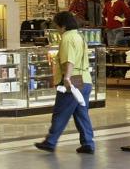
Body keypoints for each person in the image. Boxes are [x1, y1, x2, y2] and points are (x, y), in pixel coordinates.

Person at [34, 11, 96, 154]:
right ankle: (88, 143)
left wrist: (67, 78)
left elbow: (69, 60)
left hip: (74, 79)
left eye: (56, 25)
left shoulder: (67, 38)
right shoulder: (79, 36)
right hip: (85, 78)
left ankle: (50, 141)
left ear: (62, 25)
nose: (56, 28)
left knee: (60, 112)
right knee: (81, 113)